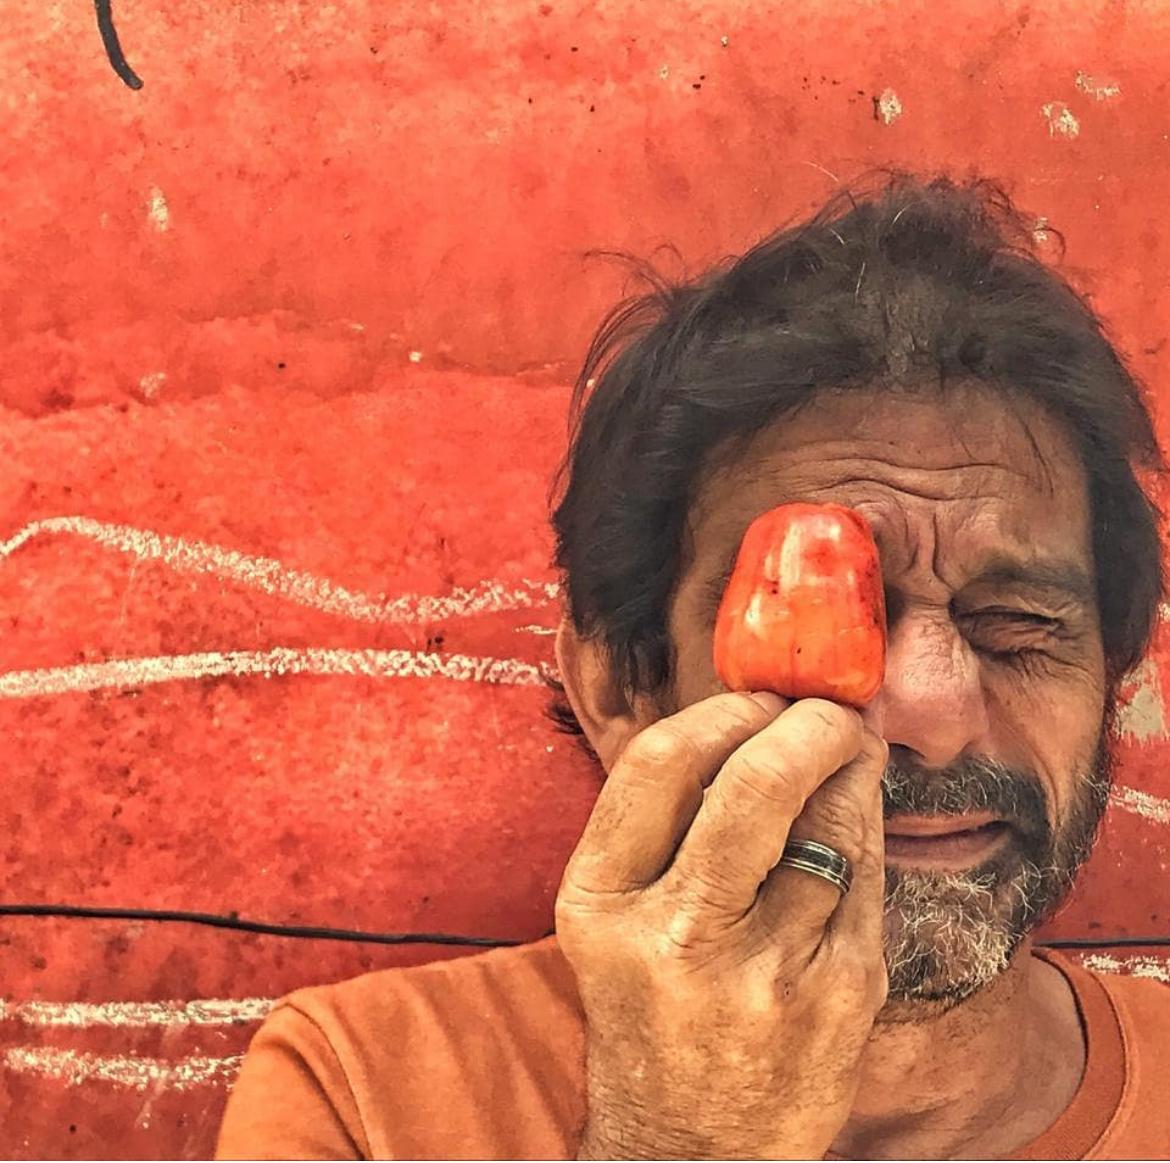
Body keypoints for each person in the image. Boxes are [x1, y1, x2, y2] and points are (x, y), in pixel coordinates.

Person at [214, 171, 1170, 1160]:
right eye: (828, 616)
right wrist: (682, 1137)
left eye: (1017, 627)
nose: (932, 705)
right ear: (623, 685)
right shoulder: (369, 1089)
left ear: (1114, 684)